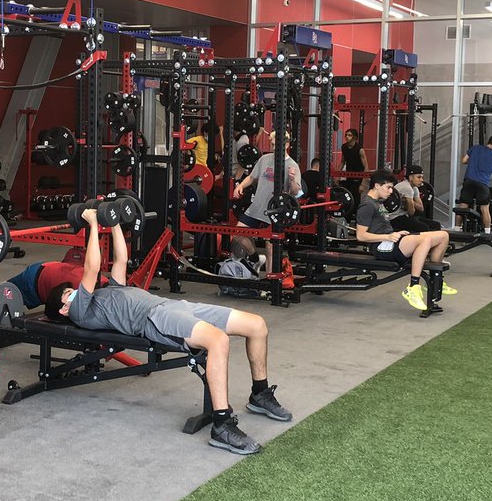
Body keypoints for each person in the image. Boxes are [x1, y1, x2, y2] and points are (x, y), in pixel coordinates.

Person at [47, 208, 291, 455]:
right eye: (70, 293)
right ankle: (222, 425)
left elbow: (120, 260)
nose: (75, 291)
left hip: (173, 306)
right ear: (65, 309)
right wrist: (91, 224)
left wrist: (114, 221)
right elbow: (91, 267)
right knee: (217, 341)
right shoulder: (80, 311)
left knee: (257, 324)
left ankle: (260, 394)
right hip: (155, 319)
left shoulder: (109, 290)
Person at [353, 169, 456, 312]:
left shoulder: (378, 202)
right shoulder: (367, 205)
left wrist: (394, 233)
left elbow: (382, 226)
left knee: (443, 235)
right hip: (380, 246)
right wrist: (388, 237)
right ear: (377, 186)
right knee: (424, 241)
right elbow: (361, 236)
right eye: (388, 187)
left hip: (390, 239)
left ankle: (435, 279)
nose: (391, 192)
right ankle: (413, 287)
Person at [232, 131, 302, 273]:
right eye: (272, 144)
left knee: (271, 248)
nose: (274, 148)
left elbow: (296, 192)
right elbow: (252, 178)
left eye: (277, 145)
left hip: (275, 211)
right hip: (257, 206)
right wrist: (240, 186)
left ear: (287, 145)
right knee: (237, 234)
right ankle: (255, 258)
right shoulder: (264, 159)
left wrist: (293, 179)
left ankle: (270, 285)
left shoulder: (292, 165)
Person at [460, 135, 492, 232]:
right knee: (485, 208)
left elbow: (463, 160)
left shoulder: (475, 148)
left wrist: (474, 162)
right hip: (483, 184)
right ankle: (488, 232)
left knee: (463, 206)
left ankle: (456, 230)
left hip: (469, 181)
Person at [391, 165, 440, 233]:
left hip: (404, 215)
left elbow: (421, 208)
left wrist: (408, 200)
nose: (422, 180)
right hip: (394, 218)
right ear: (411, 177)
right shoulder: (406, 188)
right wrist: (409, 201)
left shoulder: (415, 188)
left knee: (436, 225)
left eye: (422, 177)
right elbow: (411, 212)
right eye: (419, 177)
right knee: (424, 228)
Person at [339, 128, 369, 199]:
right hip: (348, 175)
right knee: (347, 197)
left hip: (358, 176)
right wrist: (337, 176)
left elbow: (366, 167)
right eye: (346, 135)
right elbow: (342, 161)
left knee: (355, 198)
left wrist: (363, 184)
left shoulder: (360, 150)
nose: (347, 137)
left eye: (349, 135)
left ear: (355, 137)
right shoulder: (344, 147)